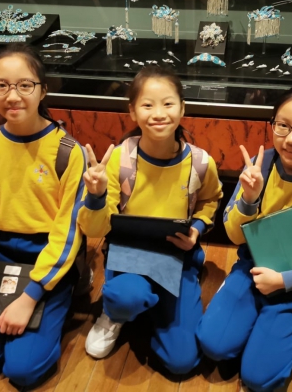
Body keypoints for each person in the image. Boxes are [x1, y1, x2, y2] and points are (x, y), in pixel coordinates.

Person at [196, 86, 292, 392]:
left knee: (259, 378)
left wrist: (284, 281)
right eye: (283, 125)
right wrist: (249, 199)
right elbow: (233, 234)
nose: (291, 139)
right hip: (252, 270)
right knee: (212, 345)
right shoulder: (260, 166)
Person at [80, 66, 222, 374]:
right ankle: (117, 312)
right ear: (132, 111)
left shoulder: (200, 162)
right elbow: (94, 228)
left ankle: (151, 305)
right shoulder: (120, 159)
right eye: (147, 105)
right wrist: (96, 195)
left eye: (168, 104)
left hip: (176, 257)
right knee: (127, 296)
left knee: (182, 362)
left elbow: (211, 200)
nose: (158, 113)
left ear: (182, 108)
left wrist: (197, 229)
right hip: (128, 257)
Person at [0, 44, 88, 388]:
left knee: (23, 370)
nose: (12, 96)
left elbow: (67, 232)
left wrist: (31, 296)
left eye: (24, 85)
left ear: (42, 90)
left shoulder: (68, 152)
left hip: (47, 260)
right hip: (0, 257)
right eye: (1, 85)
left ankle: (67, 295)